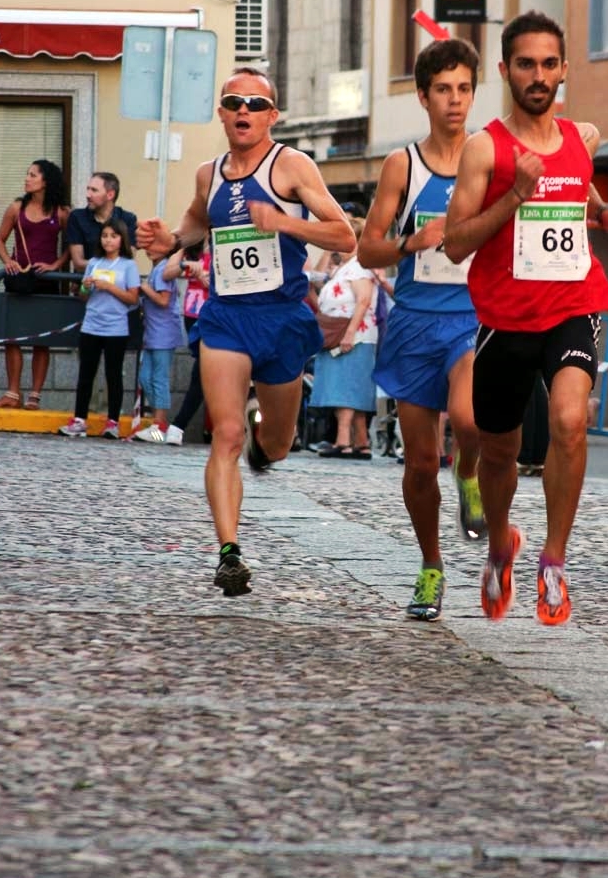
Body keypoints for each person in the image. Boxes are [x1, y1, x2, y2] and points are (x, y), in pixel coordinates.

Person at [444, 10, 608, 625]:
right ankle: (501, 546)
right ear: (504, 69)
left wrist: (606, 216)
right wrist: (514, 195)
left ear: (564, 70)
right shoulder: (485, 149)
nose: (538, 74)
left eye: (549, 63)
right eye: (525, 63)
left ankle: (553, 562)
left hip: (573, 304)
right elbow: (455, 243)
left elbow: (580, 195)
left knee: (569, 419)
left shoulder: (584, 138)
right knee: (499, 451)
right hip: (504, 317)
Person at [136, 66, 355, 597]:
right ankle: (229, 553)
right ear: (221, 111)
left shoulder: (291, 165)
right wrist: (169, 240)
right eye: (234, 101)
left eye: (255, 104)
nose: (243, 111)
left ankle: (268, 446)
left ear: (272, 116)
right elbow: (194, 225)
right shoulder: (208, 174)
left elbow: (344, 235)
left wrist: (285, 223)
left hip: (281, 319)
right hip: (227, 315)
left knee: (275, 443)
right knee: (226, 432)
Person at [357, 36, 486, 623]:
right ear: (423, 96)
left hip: (472, 317)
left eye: (463, 89)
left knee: (467, 417)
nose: (455, 101)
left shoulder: (489, 159)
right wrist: (412, 241)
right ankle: (431, 566)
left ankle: (470, 474)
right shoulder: (401, 166)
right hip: (413, 323)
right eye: (443, 90)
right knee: (416, 464)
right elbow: (367, 249)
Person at [0, 159, 70, 409]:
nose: (27, 178)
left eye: (33, 175)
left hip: (46, 280)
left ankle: (35, 395)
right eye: (27, 174)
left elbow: (71, 247)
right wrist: (8, 262)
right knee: (12, 336)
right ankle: (13, 393)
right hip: (20, 279)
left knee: (41, 338)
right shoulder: (16, 208)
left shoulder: (61, 212)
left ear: (46, 181)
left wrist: (56, 264)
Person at [59, 219, 141, 439]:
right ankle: (79, 419)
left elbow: (133, 298)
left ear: (121, 239)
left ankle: (113, 421)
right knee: (86, 374)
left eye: (113, 236)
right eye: (104, 236)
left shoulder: (128, 266)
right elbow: (84, 297)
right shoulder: (94, 262)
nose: (108, 240)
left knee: (113, 375)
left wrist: (109, 287)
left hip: (116, 328)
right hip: (91, 324)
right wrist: (85, 286)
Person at [312, 215, 379, 460]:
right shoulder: (344, 266)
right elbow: (317, 280)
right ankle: (361, 440)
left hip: (354, 334)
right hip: (346, 332)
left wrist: (349, 333)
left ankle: (343, 440)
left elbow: (362, 300)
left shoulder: (359, 266)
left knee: (345, 386)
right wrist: (329, 251)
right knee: (354, 385)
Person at [131, 251, 185, 443]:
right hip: (152, 334)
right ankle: (159, 422)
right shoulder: (157, 268)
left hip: (164, 334)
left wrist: (144, 288)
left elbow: (163, 300)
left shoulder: (162, 269)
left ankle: (160, 424)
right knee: (145, 378)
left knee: (158, 378)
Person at [162, 243, 212, 445]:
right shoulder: (191, 247)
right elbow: (167, 272)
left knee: (201, 371)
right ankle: (179, 426)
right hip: (193, 314)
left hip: (216, 315)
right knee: (202, 371)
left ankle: (179, 425)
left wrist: (206, 276)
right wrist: (187, 264)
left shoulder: (224, 243)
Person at [66, 172, 137, 274]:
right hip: (87, 284)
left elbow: (129, 259)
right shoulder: (77, 217)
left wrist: (97, 264)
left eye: (94, 190)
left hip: (118, 286)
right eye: (88, 189)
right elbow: (78, 264)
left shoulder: (127, 219)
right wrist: (113, 264)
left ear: (110, 195)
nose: (88, 195)